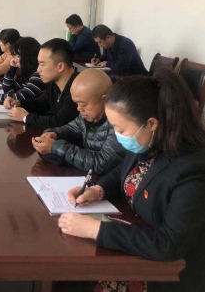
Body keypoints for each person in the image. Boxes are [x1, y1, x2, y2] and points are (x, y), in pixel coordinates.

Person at [58, 69, 205, 292]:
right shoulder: (151, 141)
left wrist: (96, 230)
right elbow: (124, 171)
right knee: (67, 277)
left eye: (120, 129)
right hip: (136, 242)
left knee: (73, 284)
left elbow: (168, 245)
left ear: (151, 123)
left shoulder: (192, 172)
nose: (118, 135)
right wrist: (97, 190)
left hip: (167, 273)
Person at [32, 69, 126, 175]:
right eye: (77, 103)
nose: (79, 109)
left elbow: (103, 163)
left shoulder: (119, 123)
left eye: (83, 104)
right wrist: (54, 134)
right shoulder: (87, 115)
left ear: (105, 99)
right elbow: (71, 128)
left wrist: (56, 147)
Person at [8, 38, 79, 129]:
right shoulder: (55, 84)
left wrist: (26, 117)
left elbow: (60, 122)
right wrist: (19, 102)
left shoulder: (78, 87)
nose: (38, 69)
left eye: (42, 64)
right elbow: (40, 103)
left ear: (60, 66)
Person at [0, 37, 45, 104]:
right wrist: (12, 69)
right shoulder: (24, 72)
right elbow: (7, 90)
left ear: (27, 57)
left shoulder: (39, 75)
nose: (15, 60)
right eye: (14, 56)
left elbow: (19, 97)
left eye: (17, 56)